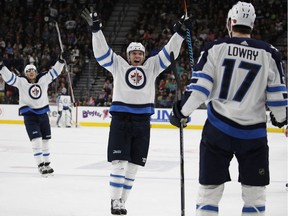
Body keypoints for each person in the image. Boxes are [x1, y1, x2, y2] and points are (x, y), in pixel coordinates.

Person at [169, 1, 287, 216]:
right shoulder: (270, 53)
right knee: (255, 196)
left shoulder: (216, 48)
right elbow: (278, 100)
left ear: (231, 22)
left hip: (217, 131)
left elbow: (199, 90)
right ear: (252, 24)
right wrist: (280, 119)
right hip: (254, 135)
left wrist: (180, 112)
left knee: (209, 192)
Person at [81, 8, 192, 215]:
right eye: (133, 53)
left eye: (140, 53)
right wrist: (96, 31)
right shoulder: (118, 64)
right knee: (119, 162)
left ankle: (123, 201)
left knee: (133, 165)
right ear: (128, 55)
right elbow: (101, 52)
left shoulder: (152, 66)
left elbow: (169, 53)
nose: (137, 56)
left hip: (142, 121)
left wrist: (179, 32)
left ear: (143, 55)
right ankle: (114, 201)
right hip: (121, 119)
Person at [0, 53, 68, 177]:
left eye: (33, 70)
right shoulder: (21, 81)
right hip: (29, 115)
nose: (31, 72)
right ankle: (40, 165)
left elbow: (54, 72)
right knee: (36, 140)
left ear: (36, 72)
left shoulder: (44, 79)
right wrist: (2, 67)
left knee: (46, 140)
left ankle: (47, 163)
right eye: (28, 70)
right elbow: (9, 78)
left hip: (43, 114)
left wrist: (61, 61)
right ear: (26, 73)